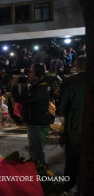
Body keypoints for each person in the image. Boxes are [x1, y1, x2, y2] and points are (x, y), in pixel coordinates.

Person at [11, 64, 51, 164]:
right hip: (36, 121)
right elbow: (27, 97)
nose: (28, 74)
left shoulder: (38, 90)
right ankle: (41, 171)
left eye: (31, 72)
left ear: (37, 74)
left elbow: (19, 99)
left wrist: (13, 86)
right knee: (37, 150)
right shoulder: (38, 87)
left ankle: (38, 174)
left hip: (36, 124)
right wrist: (25, 87)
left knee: (35, 152)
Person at [58, 56, 86, 191]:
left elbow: (61, 106)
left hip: (74, 124)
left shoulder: (69, 81)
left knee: (72, 156)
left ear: (76, 65)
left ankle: (69, 183)